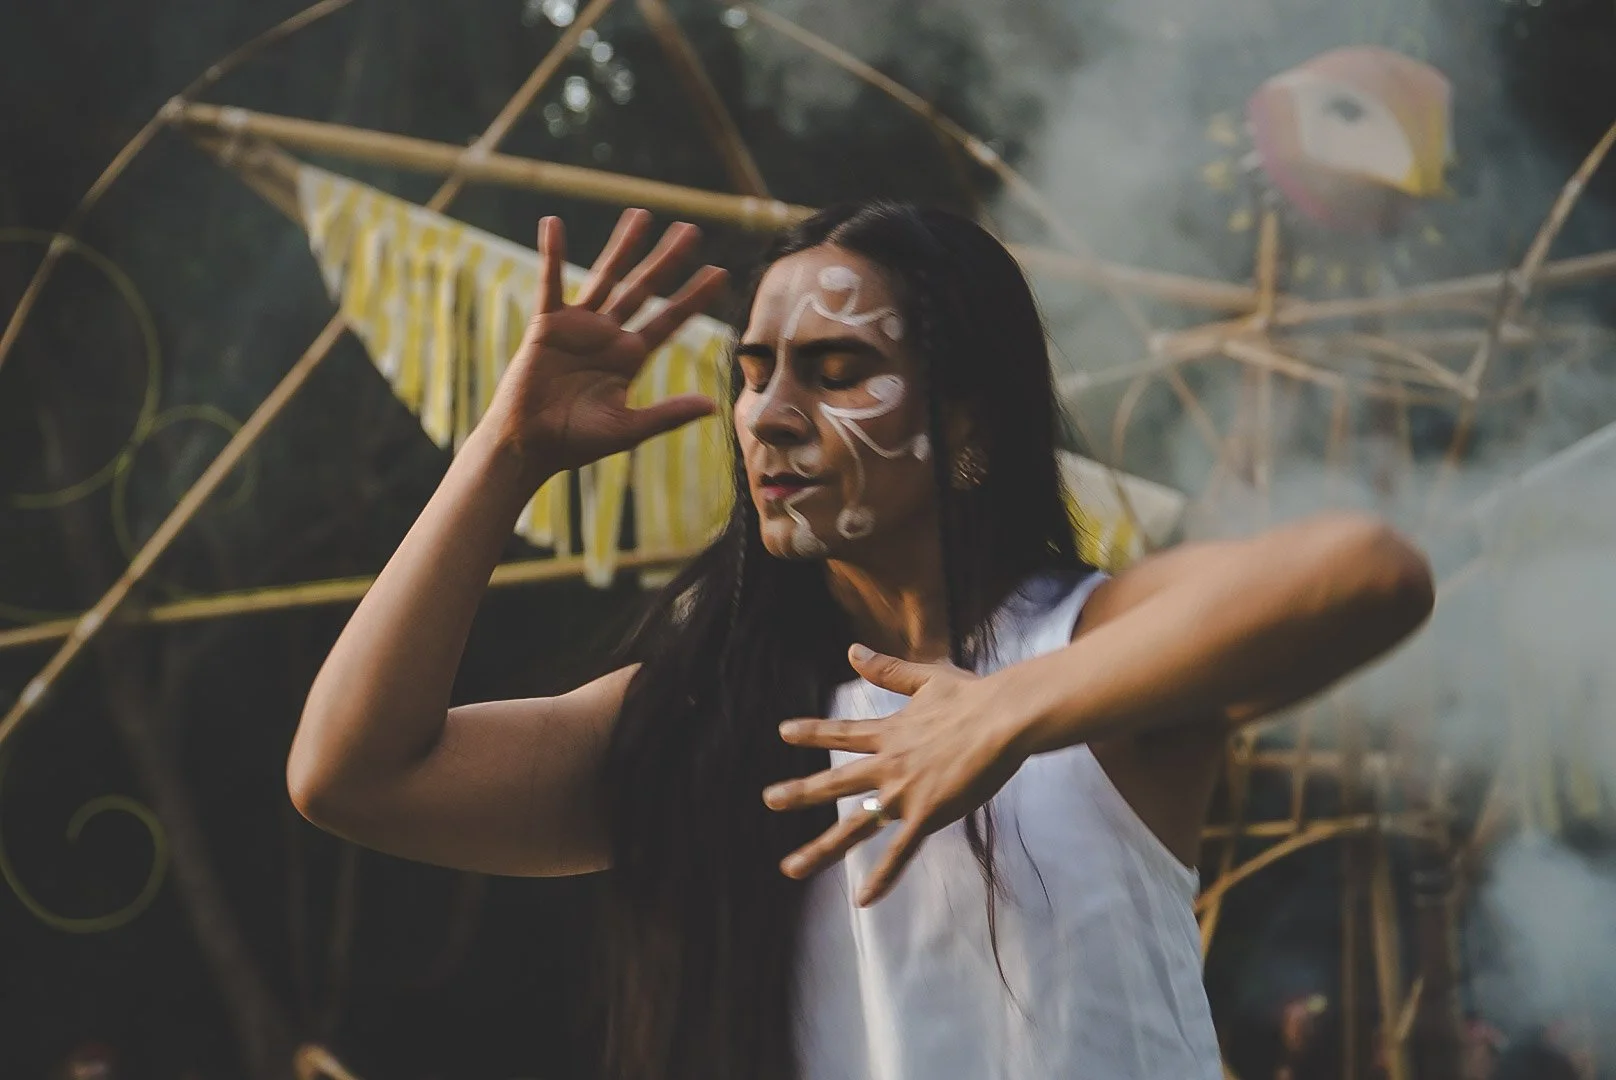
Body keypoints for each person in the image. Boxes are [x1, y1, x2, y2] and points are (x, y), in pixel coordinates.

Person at [288, 201, 1435, 1080]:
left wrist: (1009, 707)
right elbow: (353, 773)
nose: (770, 412)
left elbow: (1367, 572)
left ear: (969, 420)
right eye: (753, 372)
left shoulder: (1088, 644)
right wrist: (502, 454)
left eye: (837, 370)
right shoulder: (709, 712)